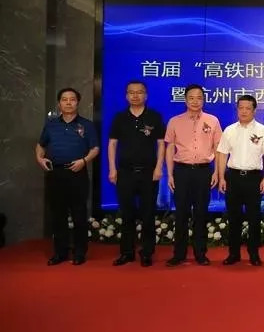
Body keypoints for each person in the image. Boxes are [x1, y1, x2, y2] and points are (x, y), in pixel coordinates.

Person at [36, 88, 99, 265]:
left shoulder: (86, 125)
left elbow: (95, 148)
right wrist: (39, 158)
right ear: (59, 103)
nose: (68, 102)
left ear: (78, 102)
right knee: (58, 215)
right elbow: (40, 145)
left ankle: (79, 252)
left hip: (77, 172)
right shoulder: (51, 125)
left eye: (72, 99)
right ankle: (60, 252)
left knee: (79, 214)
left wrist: (84, 161)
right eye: (65, 99)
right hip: (55, 173)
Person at [108, 81, 165, 267]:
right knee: (127, 214)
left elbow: (161, 144)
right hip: (125, 173)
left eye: (139, 92)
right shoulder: (119, 118)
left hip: (149, 173)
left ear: (145, 95)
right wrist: (112, 169)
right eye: (131, 92)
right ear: (126, 96)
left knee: (148, 214)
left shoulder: (154, 117)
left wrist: (159, 168)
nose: (135, 95)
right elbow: (112, 144)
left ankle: (147, 253)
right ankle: (127, 252)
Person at [164, 84, 222, 267]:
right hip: (181, 171)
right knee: (181, 213)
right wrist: (170, 174)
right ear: (185, 100)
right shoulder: (174, 121)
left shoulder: (213, 120)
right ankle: (179, 254)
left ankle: (200, 253)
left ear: (204, 100)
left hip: (204, 171)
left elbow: (218, 149)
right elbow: (169, 148)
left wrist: (217, 172)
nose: (195, 101)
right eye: (191, 97)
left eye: (199, 98)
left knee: (201, 213)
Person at [216, 95, 264, 266]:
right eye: (240, 108)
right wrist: (221, 177)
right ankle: (233, 253)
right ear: (237, 109)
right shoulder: (229, 130)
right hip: (233, 177)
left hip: (253, 178)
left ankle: (254, 254)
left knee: (254, 218)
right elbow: (222, 154)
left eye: (247, 108)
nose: (243, 111)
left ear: (254, 110)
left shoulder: (263, 130)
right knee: (233, 218)